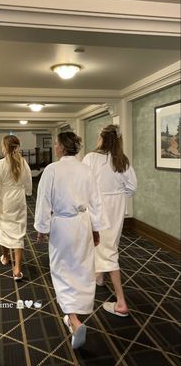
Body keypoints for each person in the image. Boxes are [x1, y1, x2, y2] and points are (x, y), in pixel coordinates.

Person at [34, 132, 102, 350]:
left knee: (62, 269)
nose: (54, 146)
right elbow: (96, 202)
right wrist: (96, 228)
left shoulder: (52, 170)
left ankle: (72, 318)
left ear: (62, 147)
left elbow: (43, 199)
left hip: (61, 225)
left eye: (56, 143)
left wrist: (42, 228)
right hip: (83, 223)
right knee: (81, 266)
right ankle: (77, 311)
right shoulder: (86, 169)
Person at [83, 124, 137, 317]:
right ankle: (99, 276)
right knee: (109, 244)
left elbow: (84, 184)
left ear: (101, 138)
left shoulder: (90, 158)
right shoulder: (121, 160)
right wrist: (118, 194)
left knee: (102, 246)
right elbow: (132, 186)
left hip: (98, 206)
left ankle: (121, 302)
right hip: (116, 207)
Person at [0, 135, 32, 281]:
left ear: (5, 147)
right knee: (18, 232)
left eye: (2, 145)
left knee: (4, 229)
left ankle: (5, 256)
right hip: (18, 199)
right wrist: (28, 192)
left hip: (4, 201)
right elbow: (28, 182)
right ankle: (17, 269)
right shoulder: (23, 162)